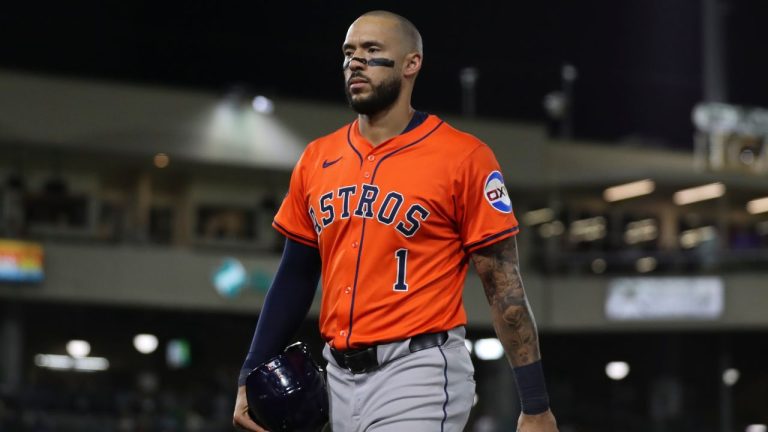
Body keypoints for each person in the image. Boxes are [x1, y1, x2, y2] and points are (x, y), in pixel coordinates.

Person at [233, 10, 558, 432]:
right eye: (349, 52)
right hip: (335, 377)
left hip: (419, 368)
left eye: (371, 51)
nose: (355, 62)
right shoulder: (317, 158)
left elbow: (502, 285)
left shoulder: (463, 157)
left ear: (411, 64)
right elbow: (295, 275)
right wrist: (249, 374)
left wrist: (535, 405)